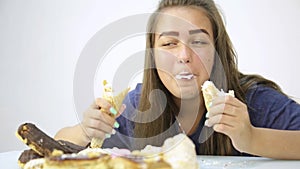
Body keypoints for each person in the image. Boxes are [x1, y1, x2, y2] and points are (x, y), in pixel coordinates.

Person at [55, 0, 300, 159]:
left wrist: (251, 137)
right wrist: (85, 130)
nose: (184, 56)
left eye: (199, 42)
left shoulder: (254, 101)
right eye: (169, 44)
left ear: (217, 51)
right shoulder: (137, 107)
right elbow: (56, 146)